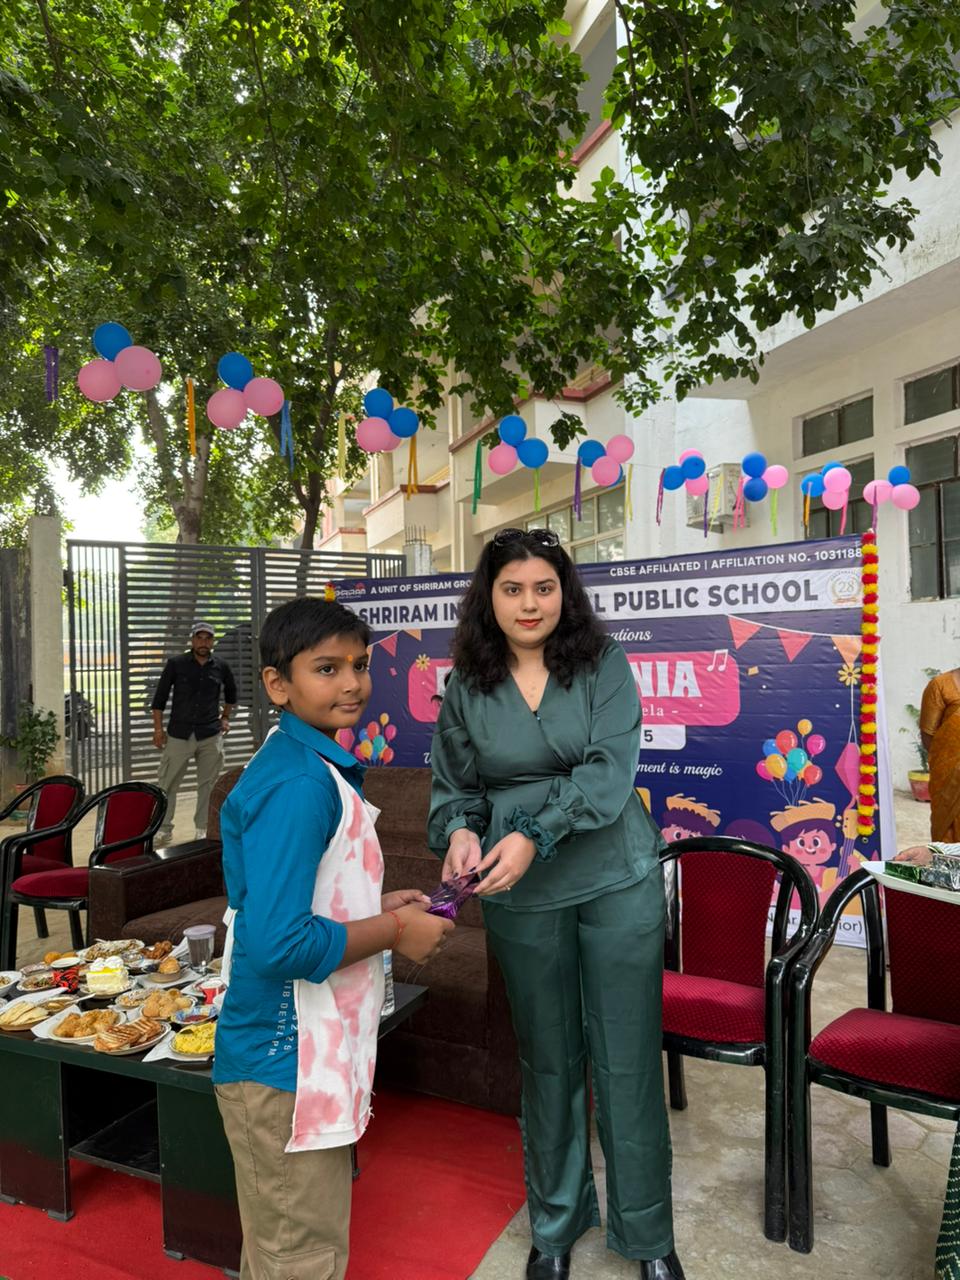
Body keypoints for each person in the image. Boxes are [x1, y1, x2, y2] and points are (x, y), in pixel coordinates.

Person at [428, 528, 683, 1280]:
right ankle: (555, 1224)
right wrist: (461, 834)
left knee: (627, 1055)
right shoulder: (467, 684)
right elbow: (456, 788)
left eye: (544, 587)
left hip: (615, 876)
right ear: (489, 598)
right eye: (512, 589)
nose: (529, 603)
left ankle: (649, 1235)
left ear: (564, 594)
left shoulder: (604, 664)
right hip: (519, 891)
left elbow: (609, 771)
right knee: (547, 1057)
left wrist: (535, 831)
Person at [213, 597, 452, 1280]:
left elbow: (304, 899)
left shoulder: (309, 763)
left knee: (285, 1248)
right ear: (277, 684)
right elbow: (278, 944)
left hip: (301, 1051)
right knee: (300, 1255)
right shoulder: (298, 783)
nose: (351, 683)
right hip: (283, 1058)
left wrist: (379, 907)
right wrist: (394, 931)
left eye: (359, 665)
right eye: (326, 668)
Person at [151, 623, 237, 842]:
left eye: (208, 638)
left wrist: (225, 717)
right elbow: (159, 699)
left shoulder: (221, 666)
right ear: (192, 640)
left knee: (208, 785)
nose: (203, 642)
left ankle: (203, 828)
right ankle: (164, 828)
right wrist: (158, 729)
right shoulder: (176, 664)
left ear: (212, 642)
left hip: (210, 735)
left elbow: (231, 694)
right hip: (179, 734)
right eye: (200, 638)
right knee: (168, 783)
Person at [920, 668, 960, 841]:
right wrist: (950, 766)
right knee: (948, 837)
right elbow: (928, 736)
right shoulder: (940, 685)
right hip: (948, 779)